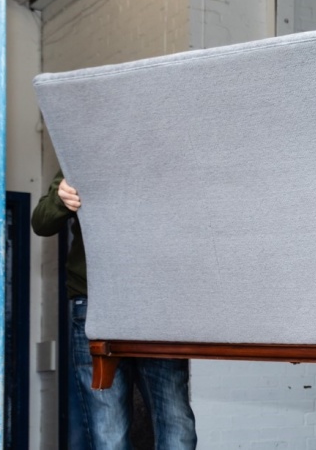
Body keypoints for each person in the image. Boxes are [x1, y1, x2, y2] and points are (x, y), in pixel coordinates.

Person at [32, 170, 198, 450]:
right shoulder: (82, 155)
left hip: (160, 306)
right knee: (108, 429)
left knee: (176, 423)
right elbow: (42, 222)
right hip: (97, 303)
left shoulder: (171, 159)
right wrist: (61, 198)